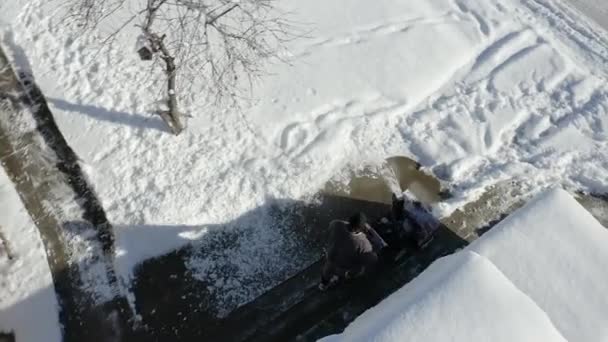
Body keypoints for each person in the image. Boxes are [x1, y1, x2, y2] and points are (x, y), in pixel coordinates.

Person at [319, 213, 388, 291]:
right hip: (345, 266)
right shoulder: (362, 242)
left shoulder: (336, 224)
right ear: (358, 228)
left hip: (331, 257)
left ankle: (323, 284)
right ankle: (346, 276)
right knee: (372, 258)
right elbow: (377, 246)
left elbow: (336, 226)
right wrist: (368, 229)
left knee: (329, 267)